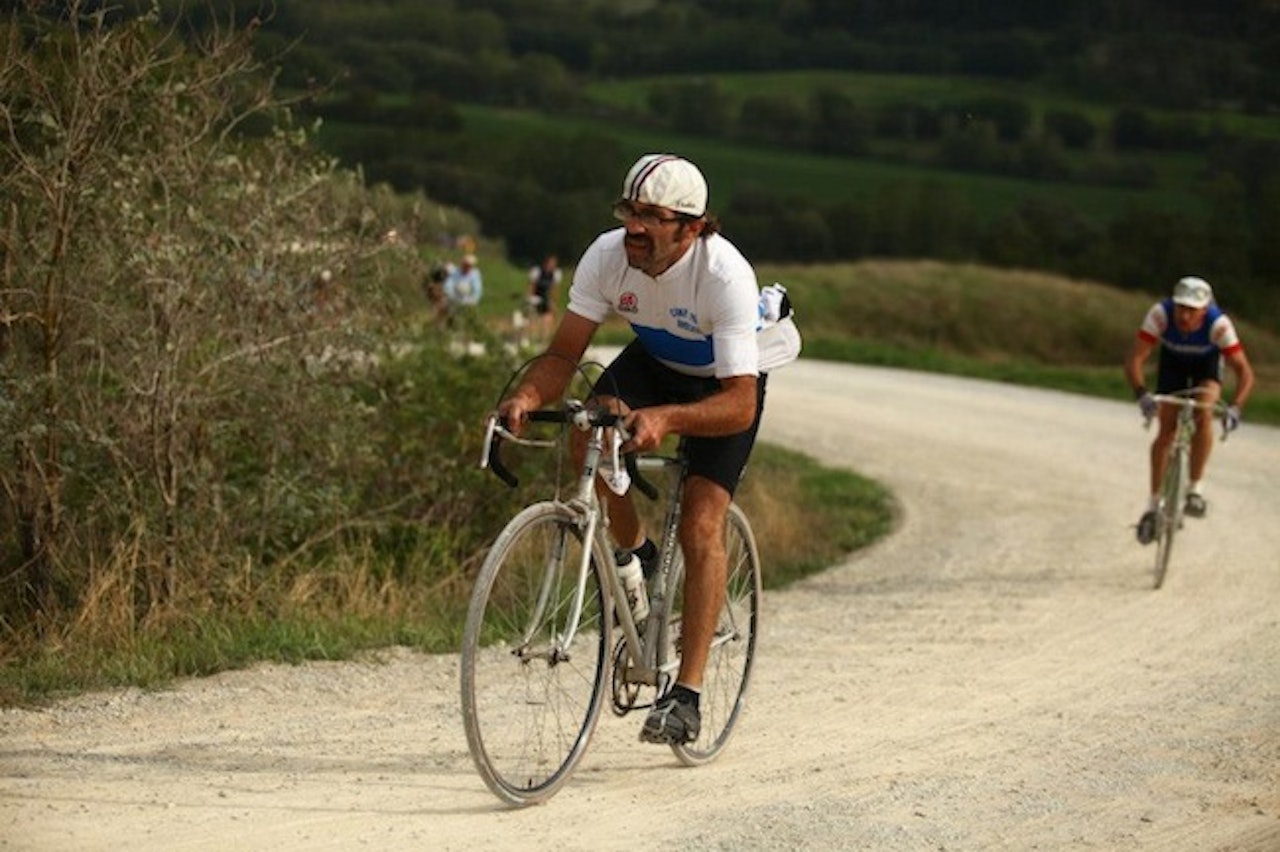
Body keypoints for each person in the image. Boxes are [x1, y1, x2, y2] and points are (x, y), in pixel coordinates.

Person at [497, 153, 793, 746]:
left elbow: (740, 405)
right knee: (588, 423)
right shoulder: (607, 256)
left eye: (652, 217)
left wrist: (667, 418)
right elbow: (562, 356)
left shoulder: (723, 275)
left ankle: (686, 695)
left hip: (723, 382)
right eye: (629, 211)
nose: (634, 227)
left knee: (703, 523)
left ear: (692, 228)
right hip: (657, 361)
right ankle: (634, 553)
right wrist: (527, 395)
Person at [1124, 275, 1254, 544]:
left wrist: (1235, 408)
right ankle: (1153, 505)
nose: (1184, 315)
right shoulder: (1160, 315)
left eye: (1192, 310)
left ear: (1204, 310)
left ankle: (1195, 488)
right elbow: (1135, 358)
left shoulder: (1218, 325)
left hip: (1205, 367)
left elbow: (1244, 371)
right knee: (1166, 430)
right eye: (1181, 307)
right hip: (1172, 364)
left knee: (1204, 411)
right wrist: (1142, 395)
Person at [526, 254, 562, 341]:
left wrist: (554, 302)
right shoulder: (537, 271)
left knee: (547, 319)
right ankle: (532, 338)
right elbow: (532, 286)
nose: (552, 266)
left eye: (554, 264)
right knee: (533, 318)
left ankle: (544, 339)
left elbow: (554, 289)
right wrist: (529, 298)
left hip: (546, 298)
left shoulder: (555, 274)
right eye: (551, 263)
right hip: (536, 297)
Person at [442, 253, 483, 322]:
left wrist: (472, 301)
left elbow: (477, 290)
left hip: (468, 301)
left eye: (470, 265)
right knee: (452, 317)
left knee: (468, 319)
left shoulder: (475, 274)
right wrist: (452, 297)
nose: (467, 267)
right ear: (462, 264)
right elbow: (448, 286)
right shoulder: (455, 272)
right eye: (466, 265)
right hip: (455, 299)